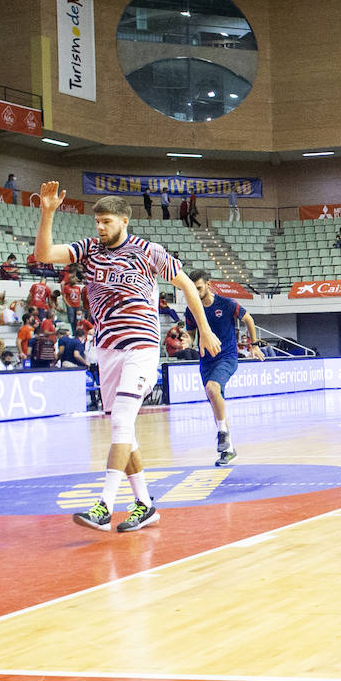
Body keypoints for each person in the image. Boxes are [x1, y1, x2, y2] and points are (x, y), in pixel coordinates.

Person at [36, 184, 219, 534]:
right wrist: (48, 213)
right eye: (97, 222)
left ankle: (104, 506)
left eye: (106, 222)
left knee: (121, 422)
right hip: (107, 349)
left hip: (141, 347)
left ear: (124, 221)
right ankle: (146, 505)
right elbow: (44, 254)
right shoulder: (88, 250)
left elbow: (187, 286)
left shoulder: (148, 252)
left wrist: (205, 330)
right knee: (124, 433)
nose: (99, 228)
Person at [185, 269, 264, 467]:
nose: (195, 292)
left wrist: (253, 345)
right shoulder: (191, 309)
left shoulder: (227, 304)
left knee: (212, 389)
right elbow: (192, 335)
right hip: (206, 360)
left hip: (227, 357)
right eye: (192, 289)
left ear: (208, 285)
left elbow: (249, 319)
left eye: (198, 288)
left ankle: (222, 433)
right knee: (215, 401)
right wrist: (188, 341)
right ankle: (229, 450)